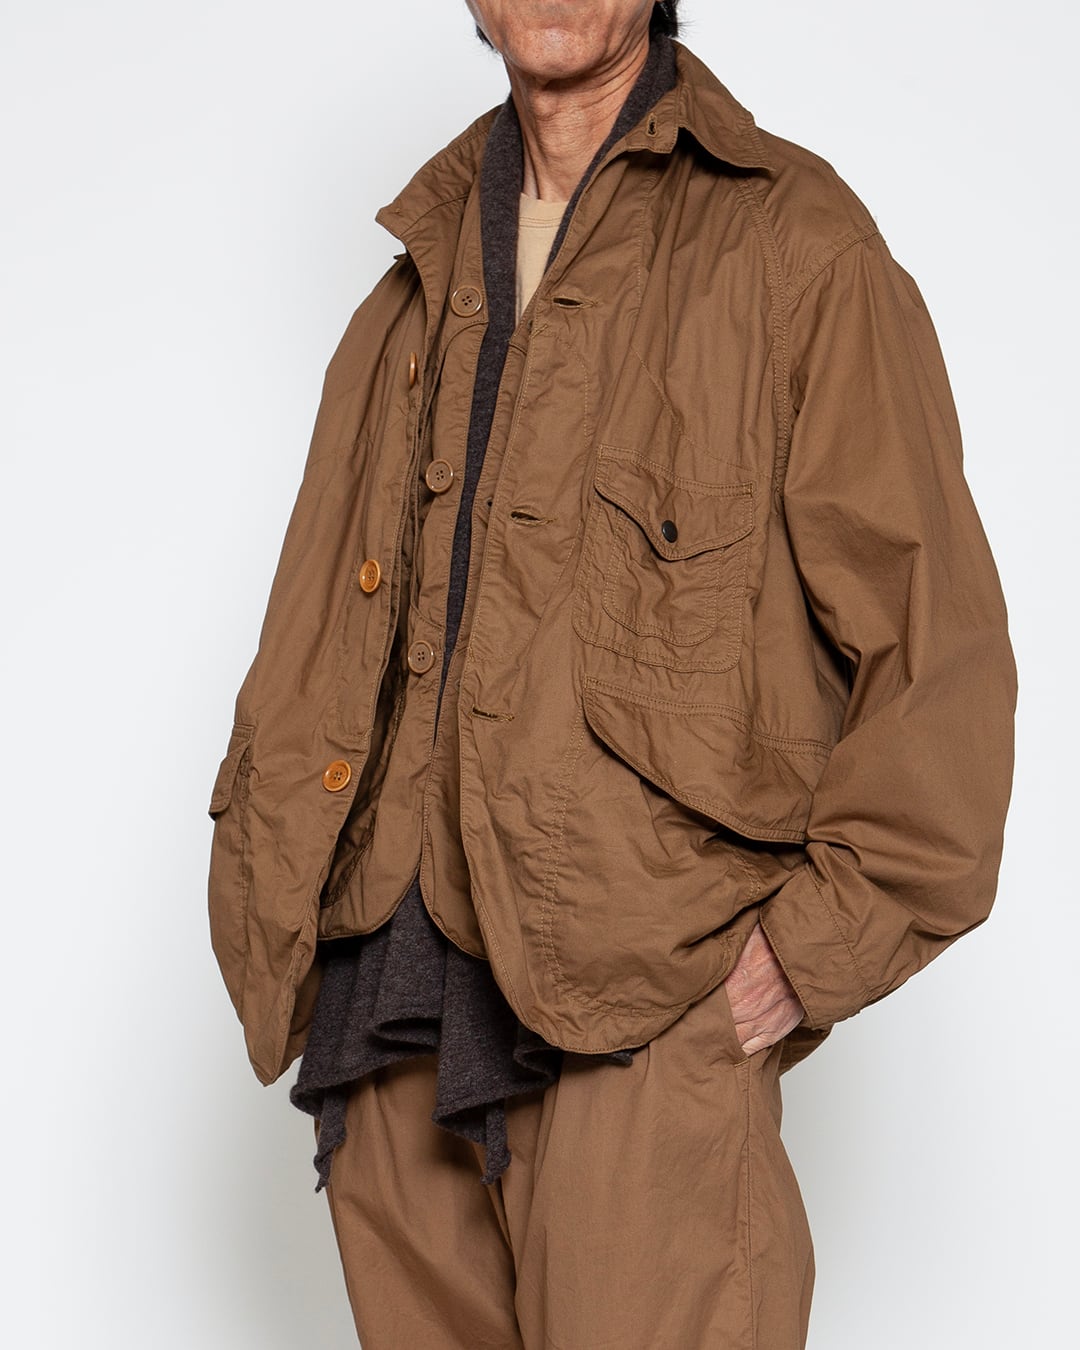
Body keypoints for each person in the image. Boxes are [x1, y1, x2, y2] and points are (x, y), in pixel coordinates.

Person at [205, 2, 1017, 1345]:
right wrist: (271, 908)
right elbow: (316, 638)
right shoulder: (411, 284)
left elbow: (941, 657)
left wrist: (807, 952)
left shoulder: (797, 248)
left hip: (647, 1020)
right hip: (387, 1014)